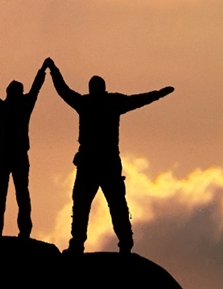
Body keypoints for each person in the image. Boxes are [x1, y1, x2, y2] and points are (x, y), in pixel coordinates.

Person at [45, 60, 173, 254]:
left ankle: (118, 243)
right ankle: (83, 244)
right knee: (87, 204)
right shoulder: (96, 103)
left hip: (102, 163)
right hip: (95, 162)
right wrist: (54, 71)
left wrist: (157, 94)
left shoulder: (98, 103)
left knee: (112, 204)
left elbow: (137, 100)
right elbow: (64, 91)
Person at [0, 62, 48, 238]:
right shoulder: (16, 106)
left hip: (10, 154)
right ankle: (13, 230)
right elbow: (35, 89)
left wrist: (42, 71)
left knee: (9, 195)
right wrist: (42, 70)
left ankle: (3, 230)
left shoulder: (8, 107)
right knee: (15, 194)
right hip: (10, 154)